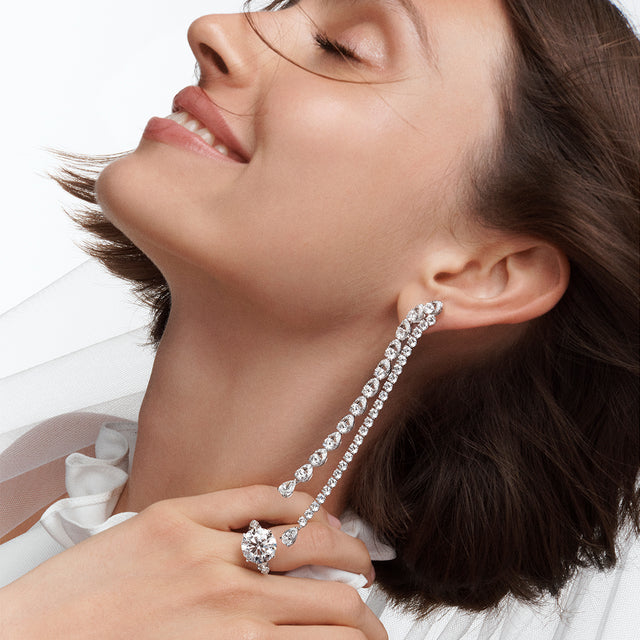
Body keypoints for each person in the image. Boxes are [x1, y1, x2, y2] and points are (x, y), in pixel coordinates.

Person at [1, 0, 638, 638]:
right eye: (282, 4)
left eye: (342, 49)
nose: (215, 31)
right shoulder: (50, 468)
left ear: (481, 275)